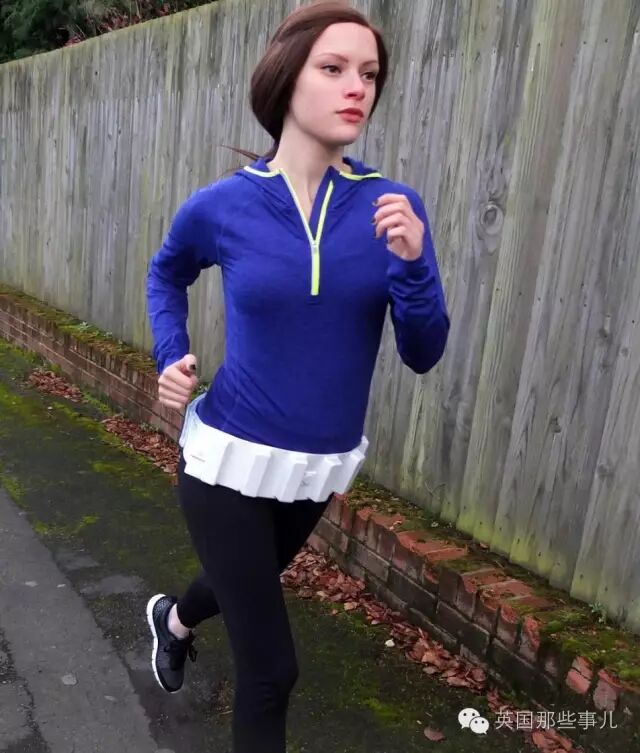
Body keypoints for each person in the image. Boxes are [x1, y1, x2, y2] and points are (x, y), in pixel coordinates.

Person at [144, 2, 450, 751]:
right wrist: (171, 354)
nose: (358, 87)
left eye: (370, 74)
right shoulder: (224, 206)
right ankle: (179, 624)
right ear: (287, 80)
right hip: (225, 460)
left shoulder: (392, 208)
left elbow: (423, 352)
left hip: (315, 468)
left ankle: (172, 621)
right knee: (272, 670)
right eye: (334, 68)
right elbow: (167, 274)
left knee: (235, 581)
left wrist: (414, 266)